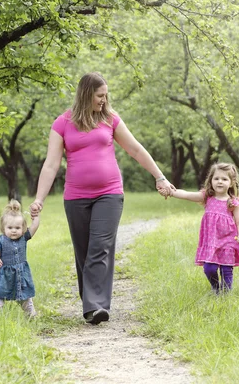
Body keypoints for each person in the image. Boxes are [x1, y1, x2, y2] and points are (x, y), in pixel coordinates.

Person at [29, 72, 174, 325]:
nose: (104, 101)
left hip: (109, 193)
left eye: (106, 96)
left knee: (100, 247)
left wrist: (159, 177)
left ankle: (95, 306)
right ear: (86, 95)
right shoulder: (62, 123)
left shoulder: (110, 119)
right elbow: (51, 165)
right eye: (99, 96)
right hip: (75, 197)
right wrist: (39, 199)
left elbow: (135, 149)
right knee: (84, 251)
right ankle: (91, 305)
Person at [160, 162, 239, 293]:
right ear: (211, 180)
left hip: (228, 240)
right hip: (211, 241)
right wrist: (171, 192)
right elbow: (186, 194)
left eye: (224, 179)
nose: (220, 182)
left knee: (226, 269)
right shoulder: (207, 197)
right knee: (209, 268)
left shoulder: (232, 202)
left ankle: (225, 295)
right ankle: (215, 287)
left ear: (231, 183)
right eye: (216, 178)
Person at [0, 199, 39, 317]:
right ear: (3, 228)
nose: (14, 230)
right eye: (10, 227)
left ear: (23, 228)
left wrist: (36, 215)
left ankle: (31, 316)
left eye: (17, 228)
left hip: (21, 275)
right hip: (4, 276)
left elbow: (34, 226)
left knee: (25, 298)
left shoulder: (24, 237)